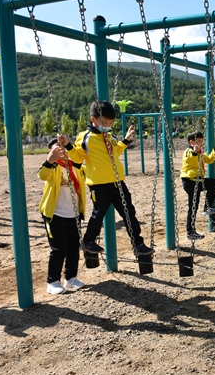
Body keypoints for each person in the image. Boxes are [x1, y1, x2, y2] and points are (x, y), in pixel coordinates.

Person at [58, 100, 154, 256]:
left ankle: (138, 244)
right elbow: (77, 158)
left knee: (129, 213)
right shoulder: (86, 137)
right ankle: (88, 241)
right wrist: (68, 145)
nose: (108, 125)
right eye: (104, 122)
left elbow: (116, 152)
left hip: (118, 182)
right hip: (99, 184)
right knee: (98, 214)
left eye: (110, 122)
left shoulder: (110, 136)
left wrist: (126, 140)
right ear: (93, 119)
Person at [38, 138, 86, 295]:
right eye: (57, 149)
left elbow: (89, 171)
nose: (61, 151)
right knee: (59, 249)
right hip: (55, 214)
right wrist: (49, 160)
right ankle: (52, 281)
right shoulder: (52, 167)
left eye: (63, 148)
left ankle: (70, 278)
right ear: (50, 152)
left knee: (73, 248)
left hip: (73, 214)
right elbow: (42, 175)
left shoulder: (74, 166)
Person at [181, 131, 215, 240]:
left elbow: (209, 159)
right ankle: (208, 207)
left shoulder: (200, 153)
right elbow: (188, 159)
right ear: (191, 142)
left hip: (196, 181)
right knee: (212, 183)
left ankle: (190, 232)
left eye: (202, 141)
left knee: (193, 207)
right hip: (190, 181)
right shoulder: (188, 151)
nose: (201, 143)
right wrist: (194, 152)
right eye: (198, 141)